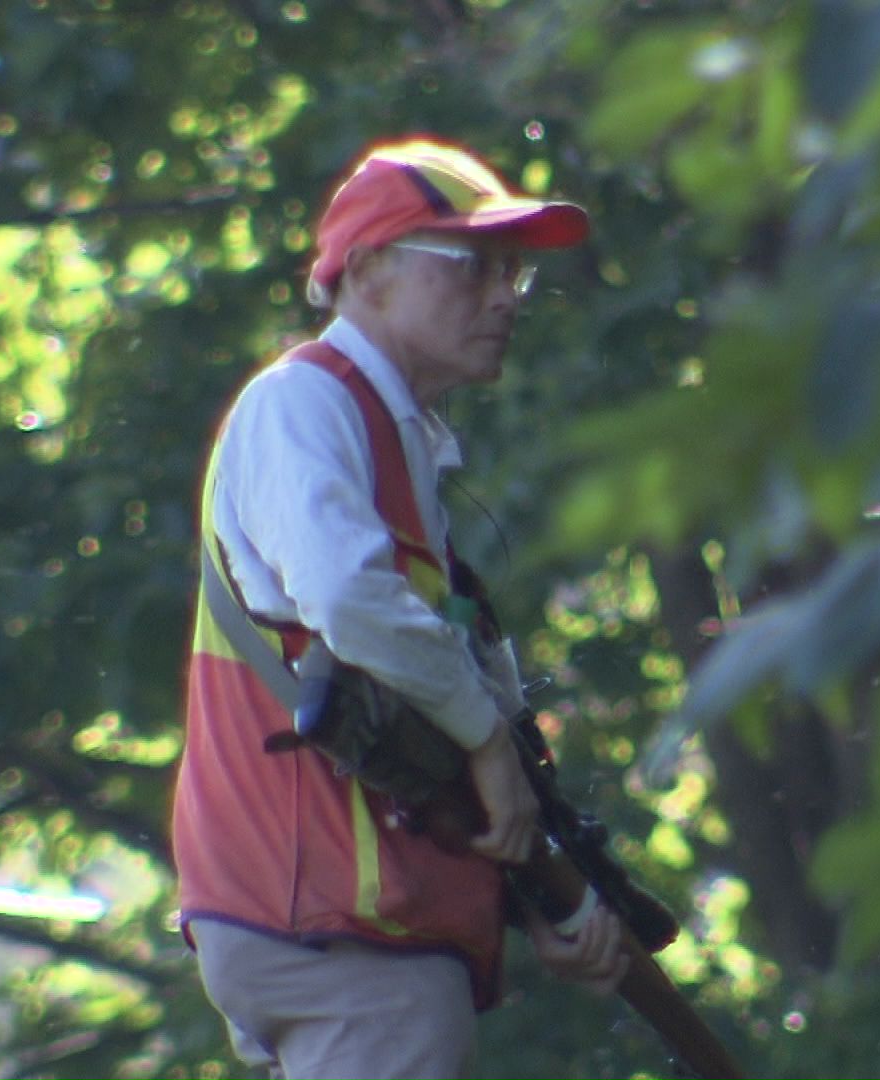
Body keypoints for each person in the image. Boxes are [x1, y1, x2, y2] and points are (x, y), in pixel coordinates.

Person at [172, 138, 628, 1080]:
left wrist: (547, 900)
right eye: (472, 265)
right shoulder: (301, 403)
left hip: (357, 918)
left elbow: (428, 692)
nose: (505, 296)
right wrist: (486, 740)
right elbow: (349, 600)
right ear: (367, 269)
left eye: (514, 272)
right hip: (341, 922)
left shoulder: (394, 442)